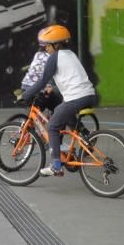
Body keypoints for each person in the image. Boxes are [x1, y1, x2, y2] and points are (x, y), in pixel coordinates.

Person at [19, 25, 99, 177]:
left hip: (76, 97)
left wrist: (25, 96)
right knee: (61, 111)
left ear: (56, 45)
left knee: (53, 126)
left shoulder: (54, 57)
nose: (46, 49)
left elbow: (42, 82)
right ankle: (82, 138)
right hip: (89, 95)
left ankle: (56, 165)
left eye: (48, 45)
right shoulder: (70, 54)